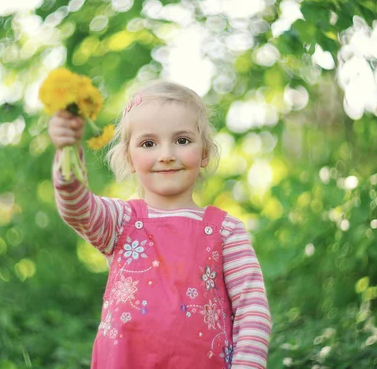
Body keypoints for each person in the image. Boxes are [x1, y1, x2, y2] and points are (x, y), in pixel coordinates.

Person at [49, 80, 271, 368]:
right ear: (129, 158)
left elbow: (252, 309)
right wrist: (67, 151)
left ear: (204, 152)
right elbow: (76, 207)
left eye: (182, 140)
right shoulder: (121, 222)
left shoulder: (226, 232)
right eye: (149, 143)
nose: (166, 154)